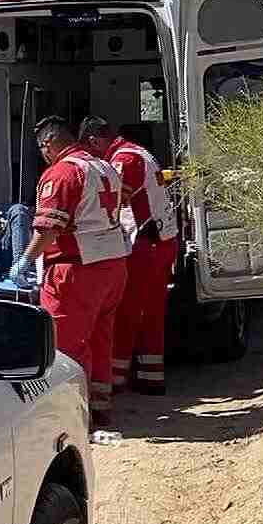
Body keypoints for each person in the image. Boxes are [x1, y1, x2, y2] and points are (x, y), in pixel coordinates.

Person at [9, 116, 130, 427]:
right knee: (101, 340)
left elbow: (48, 229)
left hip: (77, 270)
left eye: (42, 149)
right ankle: (100, 406)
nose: (43, 155)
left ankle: (73, 418)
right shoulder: (103, 166)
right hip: (113, 267)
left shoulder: (62, 172)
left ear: (49, 145)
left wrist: (24, 260)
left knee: (65, 348)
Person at [80, 116, 181, 395]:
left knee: (126, 312)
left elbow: (115, 201)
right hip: (160, 243)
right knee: (151, 313)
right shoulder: (138, 152)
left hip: (145, 248)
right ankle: (151, 378)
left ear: (94, 141)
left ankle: (115, 379)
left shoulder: (124, 160)